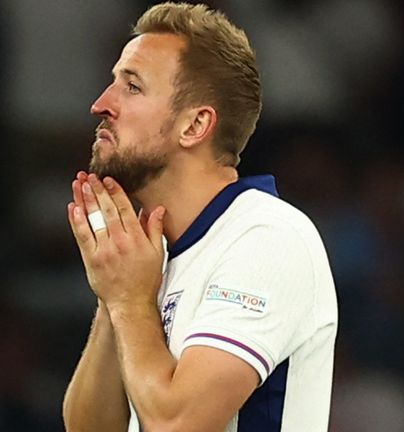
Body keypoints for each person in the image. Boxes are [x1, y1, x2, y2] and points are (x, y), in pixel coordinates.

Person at [62, 3, 338, 431]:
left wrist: (133, 304)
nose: (101, 104)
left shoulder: (266, 236)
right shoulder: (149, 257)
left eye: (132, 87)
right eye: (112, 82)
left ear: (194, 126)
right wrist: (113, 298)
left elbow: (177, 424)